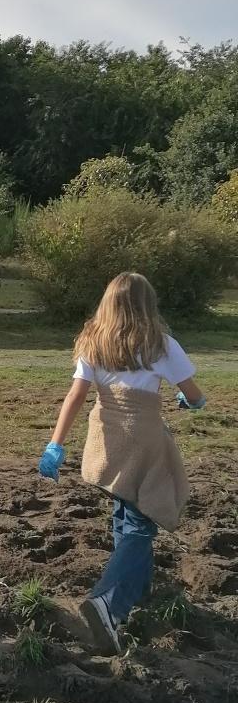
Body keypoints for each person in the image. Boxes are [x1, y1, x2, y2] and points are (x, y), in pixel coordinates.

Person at [38, 271, 205, 655]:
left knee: (125, 511)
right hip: (143, 442)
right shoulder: (161, 345)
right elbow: (193, 394)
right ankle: (108, 604)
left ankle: (135, 593)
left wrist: (55, 445)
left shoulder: (93, 342)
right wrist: (192, 402)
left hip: (107, 441)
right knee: (141, 526)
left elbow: (77, 395)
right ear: (148, 304)